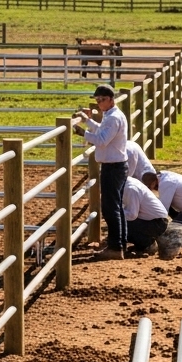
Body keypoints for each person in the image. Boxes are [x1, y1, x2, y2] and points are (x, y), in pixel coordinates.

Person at [77, 84, 128, 260]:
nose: (99, 103)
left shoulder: (113, 118)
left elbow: (102, 139)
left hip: (113, 167)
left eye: (102, 100)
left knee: (110, 208)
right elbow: (101, 130)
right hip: (116, 165)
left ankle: (116, 247)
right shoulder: (112, 116)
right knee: (115, 207)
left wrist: (82, 132)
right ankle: (119, 244)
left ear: (111, 100)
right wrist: (87, 121)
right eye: (97, 100)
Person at [123, 176, 170, 254]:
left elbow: (132, 215)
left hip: (156, 223)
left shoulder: (130, 189)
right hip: (153, 220)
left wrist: (114, 213)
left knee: (119, 225)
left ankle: (147, 244)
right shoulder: (128, 183)